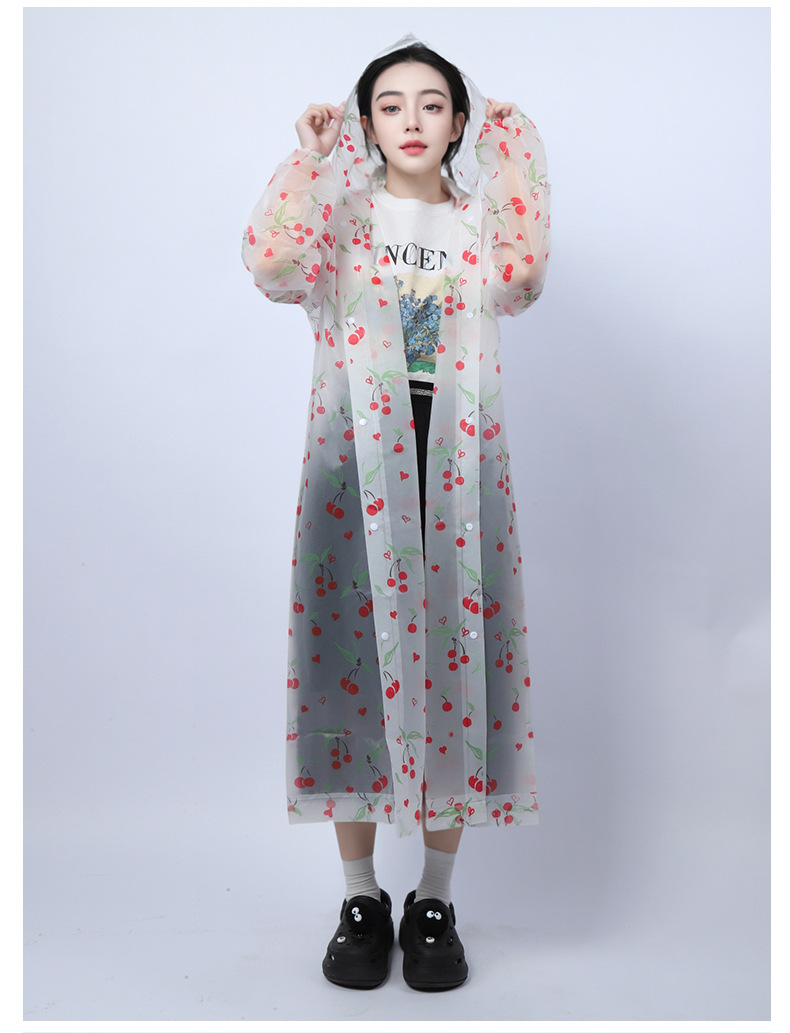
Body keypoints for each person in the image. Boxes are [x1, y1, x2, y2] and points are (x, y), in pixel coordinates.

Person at [241, 33, 550, 991]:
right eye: (389, 104)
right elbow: (270, 262)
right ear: (365, 125)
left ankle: (435, 900)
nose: (410, 120)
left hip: (457, 465)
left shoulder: (484, 223)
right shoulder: (342, 215)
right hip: (355, 462)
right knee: (351, 665)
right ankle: (361, 895)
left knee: (456, 663)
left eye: (431, 104)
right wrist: (307, 158)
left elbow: (523, 281)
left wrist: (517, 152)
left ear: (458, 123)